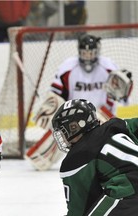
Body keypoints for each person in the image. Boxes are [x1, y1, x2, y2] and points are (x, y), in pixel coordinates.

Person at [27, 34, 133, 171]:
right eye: (85, 53)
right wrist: (49, 107)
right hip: (75, 115)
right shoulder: (68, 67)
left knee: (104, 157)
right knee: (56, 111)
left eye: (91, 53)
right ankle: (45, 155)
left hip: (102, 116)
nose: (88, 57)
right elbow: (56, 93)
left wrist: (124, 94)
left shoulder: (108, 66)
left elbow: (122, 95)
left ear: (97, 52)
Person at [51, 99, 138, 215]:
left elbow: (78, 210)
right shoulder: (115, 125)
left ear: (74, 127)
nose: (64, 139)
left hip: (130, 192)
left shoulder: (78, 155)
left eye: (64, 132)